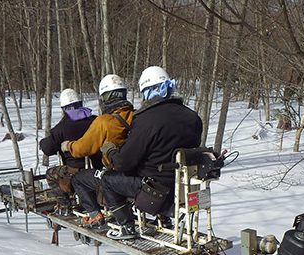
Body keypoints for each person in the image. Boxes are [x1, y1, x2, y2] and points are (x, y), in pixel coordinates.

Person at [99, 66, 203, 239]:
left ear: (147, 92)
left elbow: (124, 162)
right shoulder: (192, 116)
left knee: (108, 179)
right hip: (184, 187)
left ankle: (126, 227)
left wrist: (110, 151)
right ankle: (165, 220)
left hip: (156, 190)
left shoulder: (146, 120)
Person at [68, 74, 134, 228]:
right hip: (133, 173)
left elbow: (81, 149)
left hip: (113, 173)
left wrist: (68, 146)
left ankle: (95, 215)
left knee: (78, 179)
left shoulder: (104, 121)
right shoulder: (135, 116)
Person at [39, 88, 101, 215]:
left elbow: (48, 148)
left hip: (76, 171)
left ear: (64, 108)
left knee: (50, 174)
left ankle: (64, 205)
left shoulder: (61, 128)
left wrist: (43, 142)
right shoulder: (95, 121)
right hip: (98, 168)